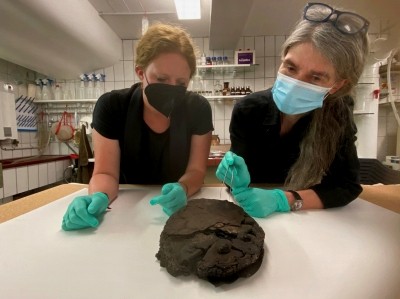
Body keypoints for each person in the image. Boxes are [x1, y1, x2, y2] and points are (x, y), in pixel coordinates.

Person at [216, 2, 370, 218]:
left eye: (316, 77)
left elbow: (346, 186)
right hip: (252, 217)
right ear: (283, 59)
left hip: (310, 221)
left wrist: (285, 200)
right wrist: (232, 177)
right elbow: (239, 183)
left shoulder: (338, 113)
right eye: (290, 67)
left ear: (336, 85)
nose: (296, 83)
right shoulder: (249, 110)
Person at [62, 23, 213, 230]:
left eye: (181, 84)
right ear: (140, 72)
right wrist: (98, 197)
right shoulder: (112, 107)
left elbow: (196, 170)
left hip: (180, 213)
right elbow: (106, 173)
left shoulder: (197, 108)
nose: (171, 89)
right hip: (126, 213)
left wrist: (183, 187)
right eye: (161, 79)